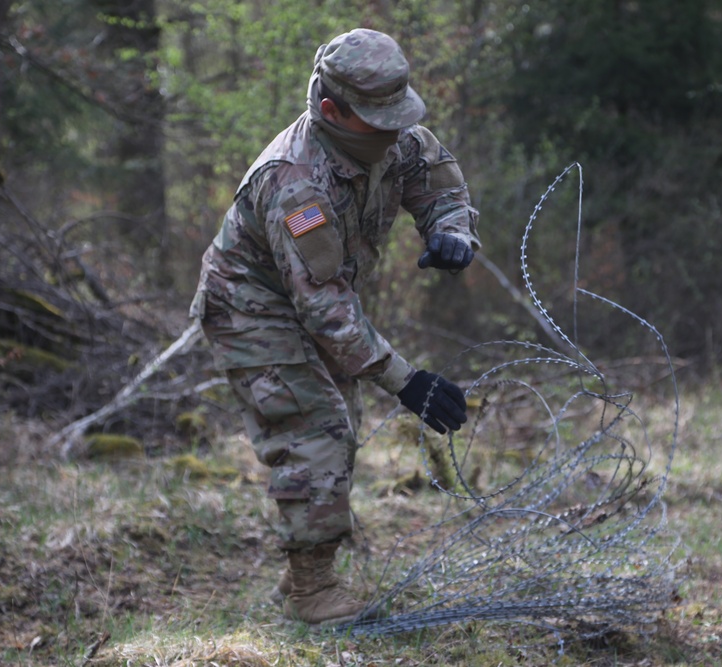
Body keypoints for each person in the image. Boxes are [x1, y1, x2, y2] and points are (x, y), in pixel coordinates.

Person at [189, 28, 481, 626]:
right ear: (331, 110)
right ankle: (310, 591)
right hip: (250, 307)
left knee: (337, 424)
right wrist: (406, 381)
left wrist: (451, 232)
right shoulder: (294, 181)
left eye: (399, 115)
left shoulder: (389, 137)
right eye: (380, 120)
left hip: (314, 301)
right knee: (314, 426)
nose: (395, 131)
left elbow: (438, 182)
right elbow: (323, 307)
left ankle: (303, 564)